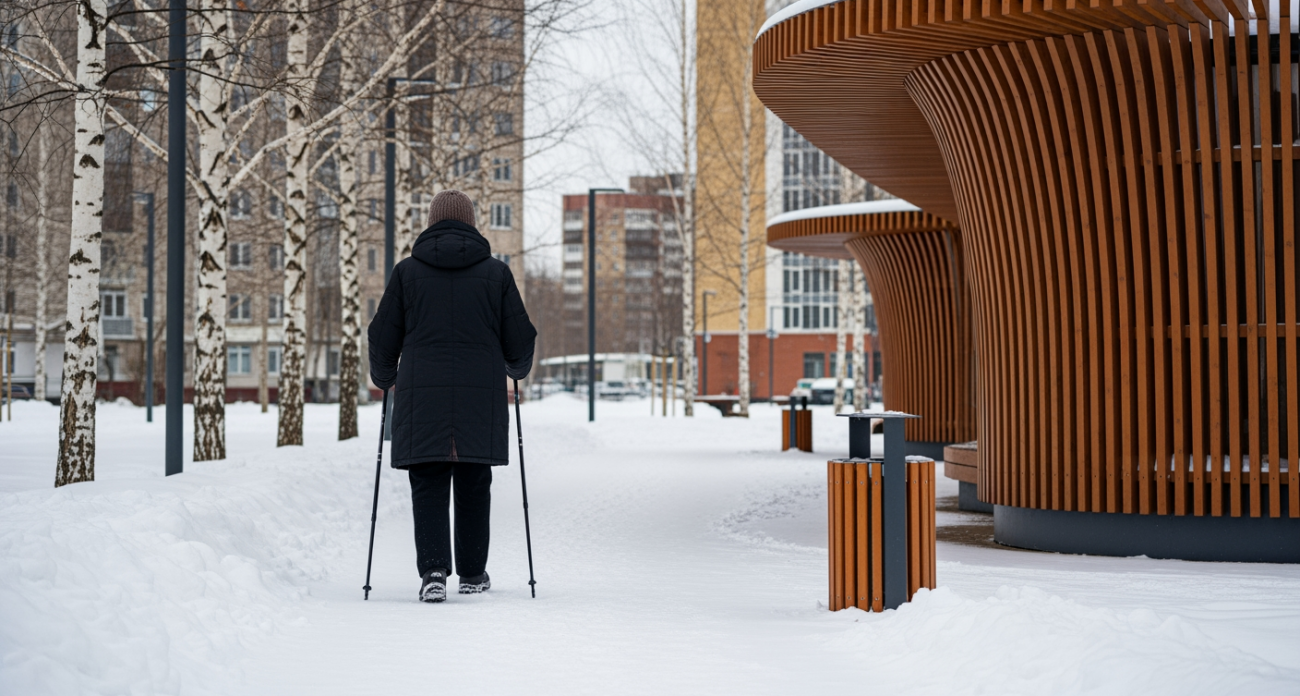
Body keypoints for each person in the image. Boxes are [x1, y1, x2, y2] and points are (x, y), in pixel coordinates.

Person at [368, 189, 537, 603]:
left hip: (421, 398)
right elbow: (521, 338)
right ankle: (474, 574)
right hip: (480, 399)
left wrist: (385, 375)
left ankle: (433, 573)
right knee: (475, 481)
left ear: (430, 222)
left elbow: (381, 334)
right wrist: (516, 368)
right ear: (473, 224)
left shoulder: (407, 273)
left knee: (426, 480)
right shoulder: (496, 274)